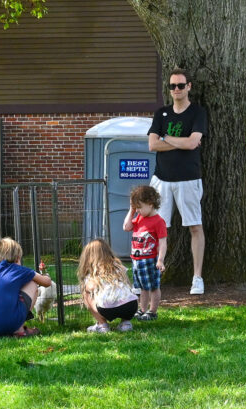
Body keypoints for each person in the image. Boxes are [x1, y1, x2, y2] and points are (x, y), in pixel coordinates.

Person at [147, 68, 207, 295]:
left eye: (181, 85)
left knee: (195, 226)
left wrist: (166, 138)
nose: (177, 90)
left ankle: (197, 278)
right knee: (155, 228)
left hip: (188, 179)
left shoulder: (197, 113)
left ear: (189, 86)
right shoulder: (161, 113)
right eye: (173, 86)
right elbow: (152, 145)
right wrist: (180, 141)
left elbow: (193, 143)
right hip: (161, 179)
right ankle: (151, 275)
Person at [0, 237, 52, 339]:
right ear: (17, 258)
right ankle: (19, 329)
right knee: (32, 283)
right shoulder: (20, 270)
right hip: (10, 323)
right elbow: (47, 283)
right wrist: (45, 274)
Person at [123, 185, 167, 321]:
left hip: (150, 260)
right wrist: (132, 210)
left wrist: (160, 260)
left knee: (153, 286)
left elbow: (163, 242)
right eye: (136, 207)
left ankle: (152, 311)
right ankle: (142, 310)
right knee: (143, 288)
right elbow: (126, 227)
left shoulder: (159, 221)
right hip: (137, 260)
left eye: (139, 207)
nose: (138, 210)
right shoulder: (139, 218)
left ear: (150, 204)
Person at [76, 239, 139, 333]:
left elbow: (90, 287)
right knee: (126, 292)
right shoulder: (118, 267)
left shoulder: (93, 272)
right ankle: (126, 323)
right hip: (131, 306)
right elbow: (127, 283)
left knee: (86, 293)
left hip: (107, 308)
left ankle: (102, 325)